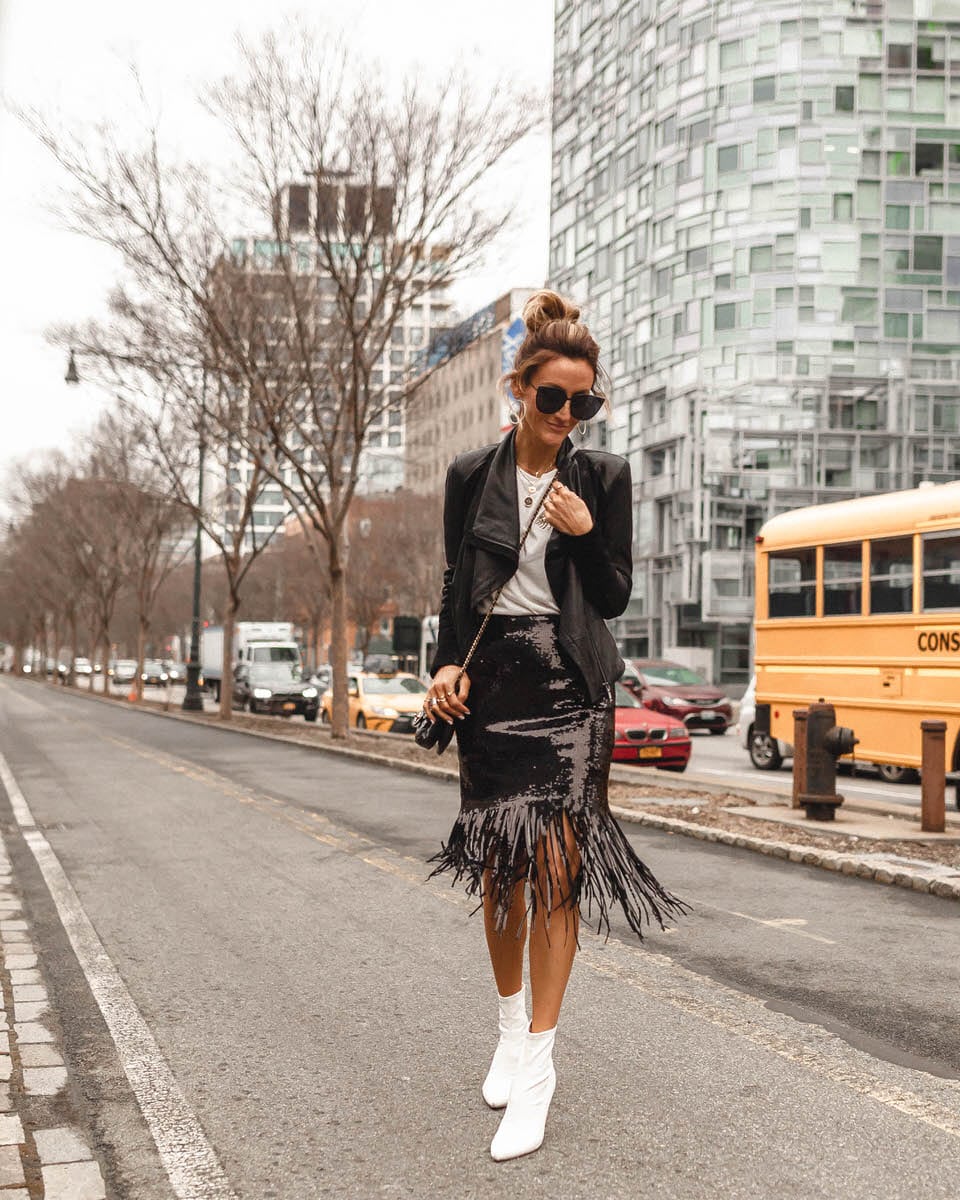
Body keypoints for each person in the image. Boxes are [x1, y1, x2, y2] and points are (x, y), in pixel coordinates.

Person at [423, 290, 687, 1161]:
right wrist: (444, 663)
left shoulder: (603, 478)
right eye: (553, 399)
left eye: (585, 403)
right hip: (492, 685)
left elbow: (612, 597)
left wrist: (578, 535)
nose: (568, 415)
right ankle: (507, 1028)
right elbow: (456, 588)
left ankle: (538, 1065)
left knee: (558, 870)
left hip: (571, 684)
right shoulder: (471, 476)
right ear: (519, 391)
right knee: (502, 873)